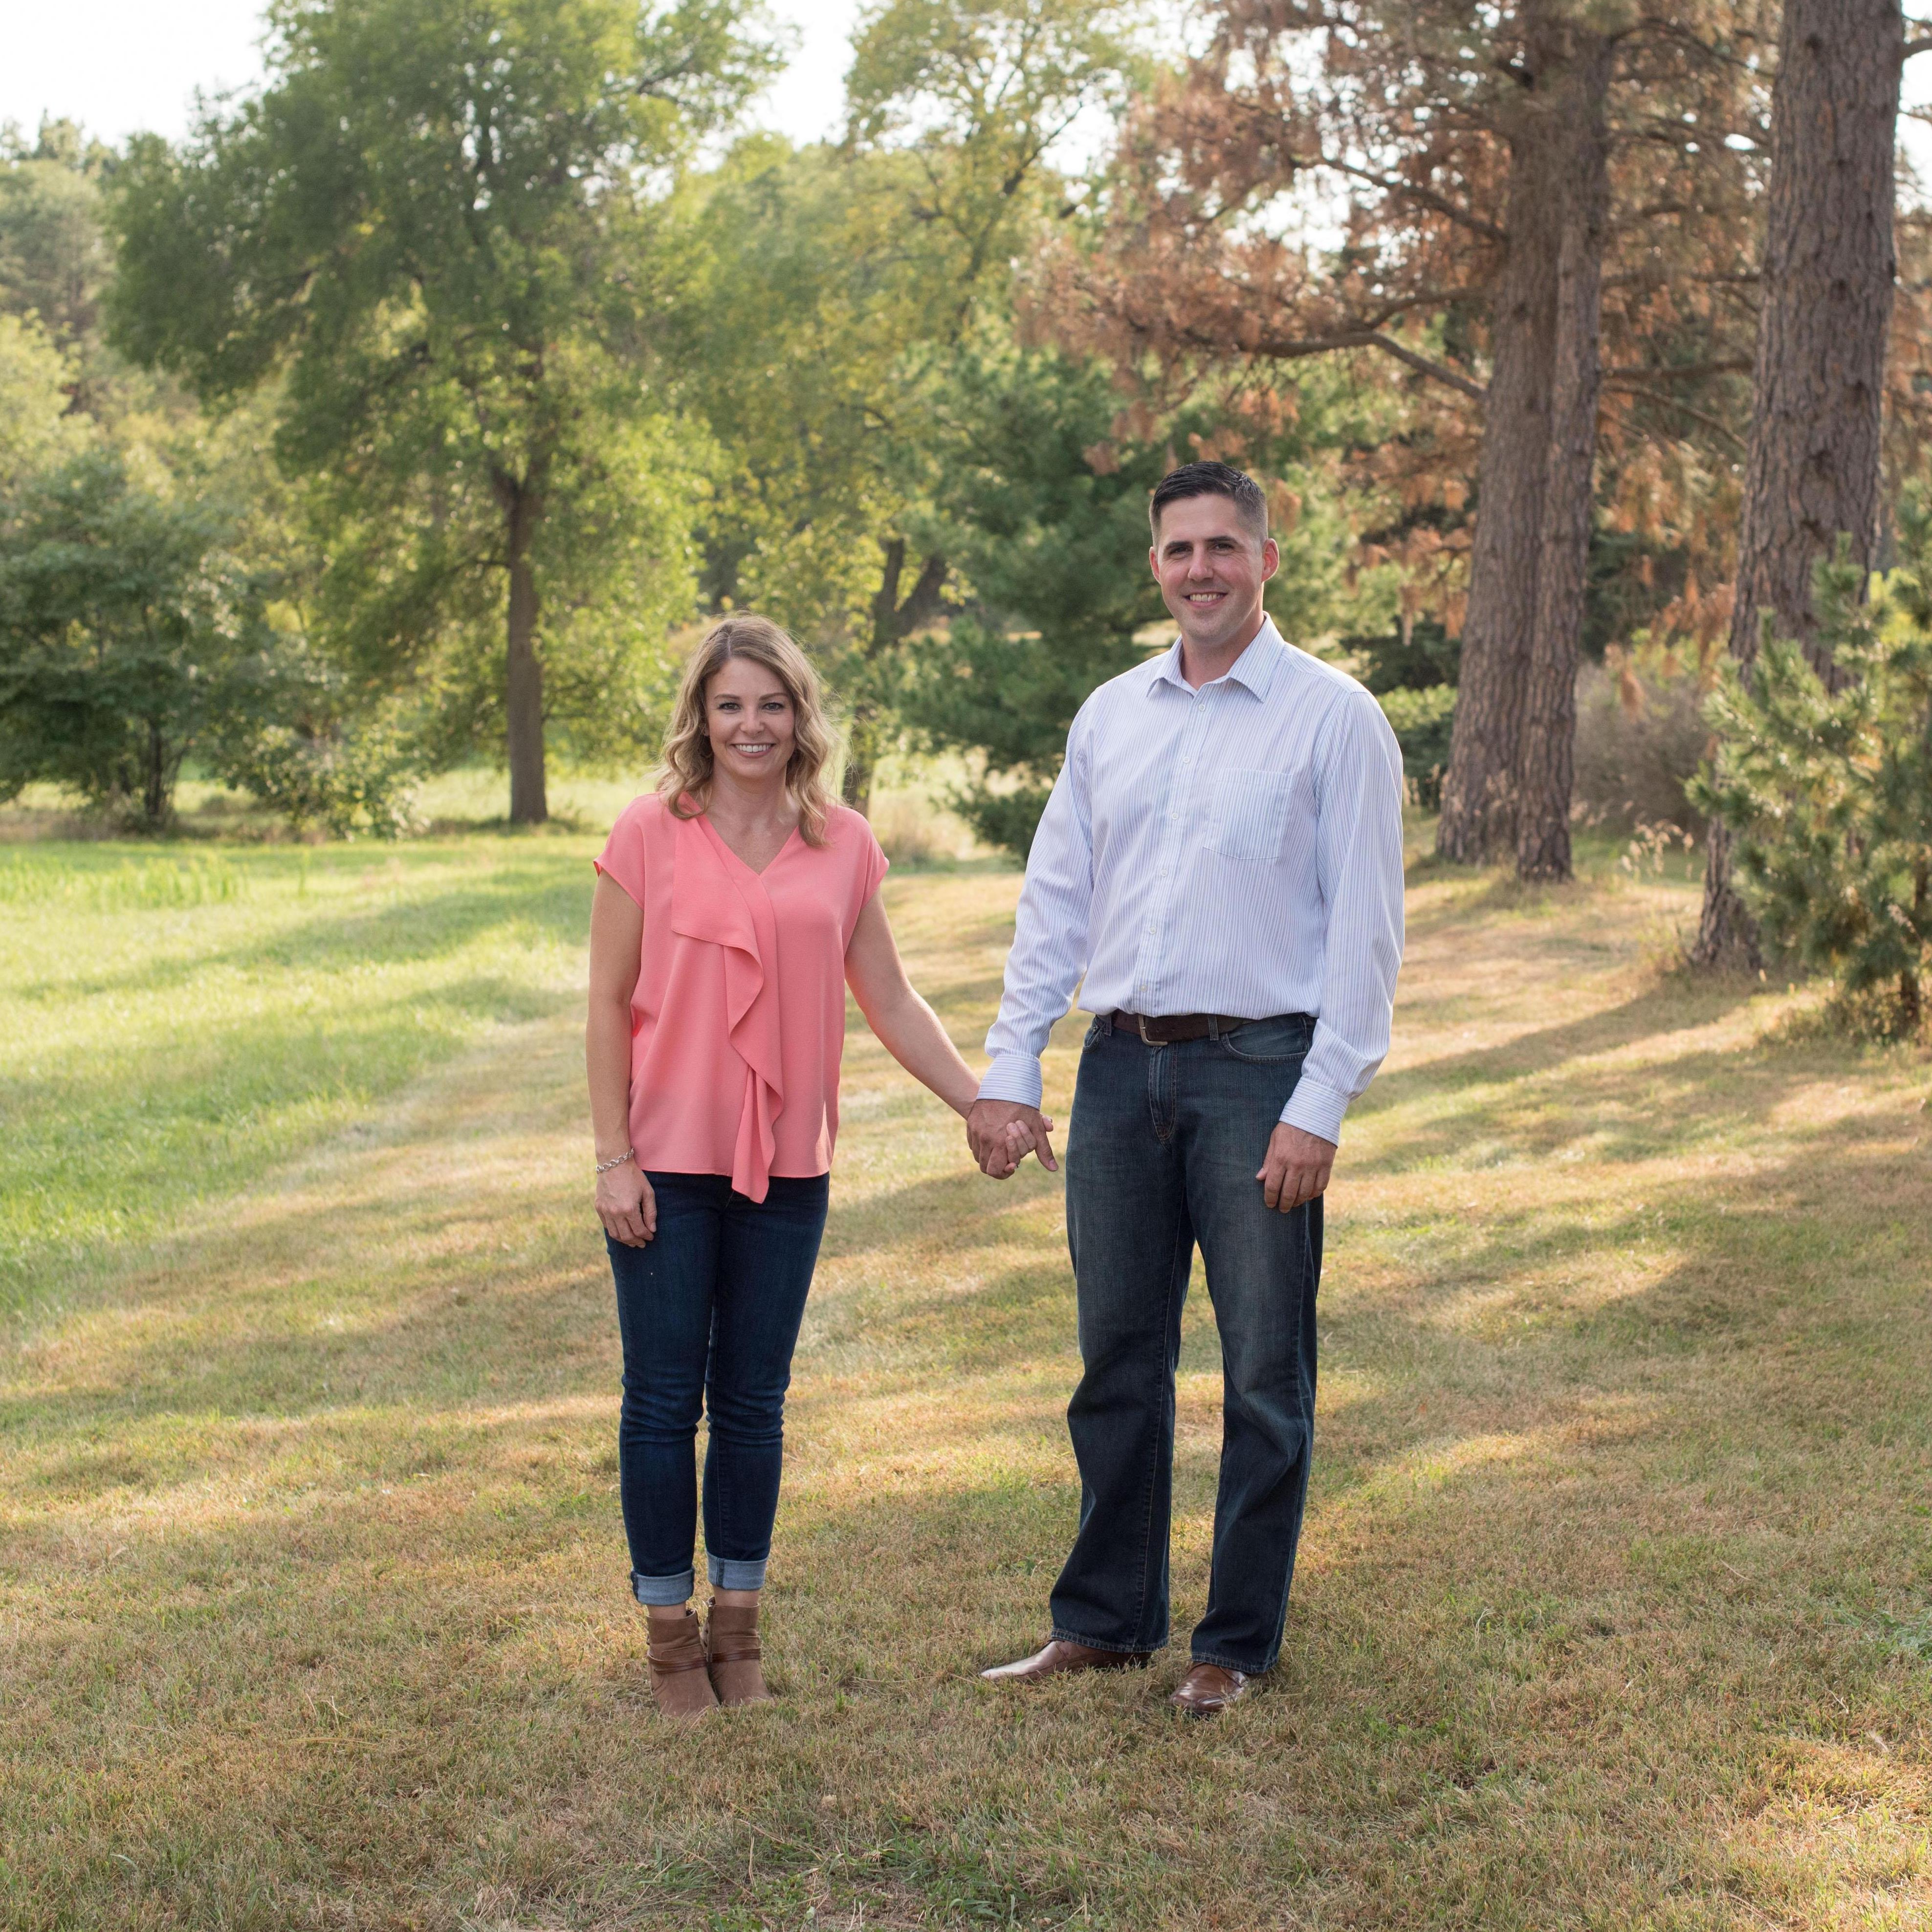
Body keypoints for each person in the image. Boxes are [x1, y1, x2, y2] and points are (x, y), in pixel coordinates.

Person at [968, 460, 1405, 1716]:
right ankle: (1104, 1622)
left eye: (1224, 544)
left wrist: (1317, 1102)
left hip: (1256, 1069)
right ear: (1153, 566)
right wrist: (1014, 1067)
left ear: (1267, 558)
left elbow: (1364, 937)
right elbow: (1054, 902)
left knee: (1264, 1372)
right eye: (1179, 549)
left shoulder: (1333, 717)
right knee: (1115, 1359)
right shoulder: (1110, 714)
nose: (1201, 567)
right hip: (1119, 1070)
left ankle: (1234, 1644)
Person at [586, 614, 1001, 1718]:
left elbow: (893, 998)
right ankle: (670, 1639)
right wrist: (611, 1156)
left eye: (771, 703)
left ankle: (739, 1625)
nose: (751, 723)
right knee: (663, 1400)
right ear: (701, 717)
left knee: (757, 1402)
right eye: (730, 704)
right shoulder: (646, 834)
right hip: (663, 1162)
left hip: (789, 1162)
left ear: (799, 715)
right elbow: (603, 1005)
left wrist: (978, 1099)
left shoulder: (845, 843)